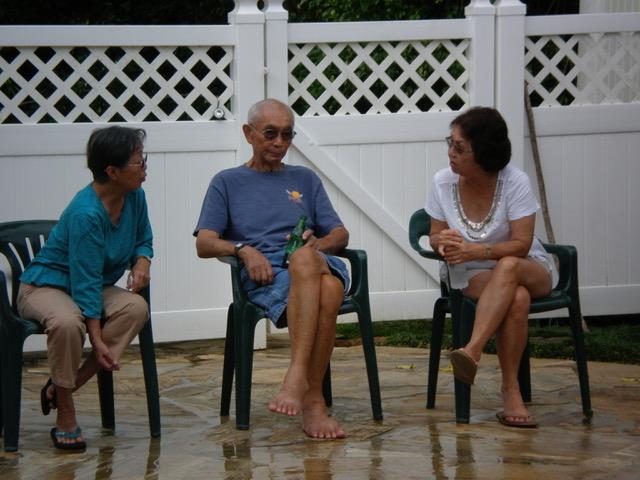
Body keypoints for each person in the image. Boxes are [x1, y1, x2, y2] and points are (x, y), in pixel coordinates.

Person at [194, 98, 349, 439]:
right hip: (268, 278)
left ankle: (296, 377)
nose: (279, 143)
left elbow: (339, 233)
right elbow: (204, 243)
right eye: (270, 134)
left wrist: (317, 246)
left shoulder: (304, 178)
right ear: (248, 134)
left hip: (315, 262)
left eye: (287, 135)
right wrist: (243, 249)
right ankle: (314, 402)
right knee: (331, 289)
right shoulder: (227, 182)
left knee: (305, 258)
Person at [17, 126, 153, 450]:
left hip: (90, 284)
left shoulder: (135, 196)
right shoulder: (86, 213)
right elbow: (85, 279)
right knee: (67, 323)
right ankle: (65, 408)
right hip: (45, 286)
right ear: (112, 171)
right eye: (139, 161)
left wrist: (142, 261)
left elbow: (143, 239)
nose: (145, 167)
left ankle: (66, 384)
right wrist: (94, 334)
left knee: (135, 308)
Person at [425, 107, 558, 428]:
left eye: (459, 147)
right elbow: (432, 236)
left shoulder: (515, 181)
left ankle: (471, 351)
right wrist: (442, 243)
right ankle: (511, 392)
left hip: (527, 266)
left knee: (510, 266)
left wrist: (477, 250)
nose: (450, 153)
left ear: (483, 153)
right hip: (472, 274)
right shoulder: (442, 182)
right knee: (517, 299)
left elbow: (522, 244)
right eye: (450, 143)